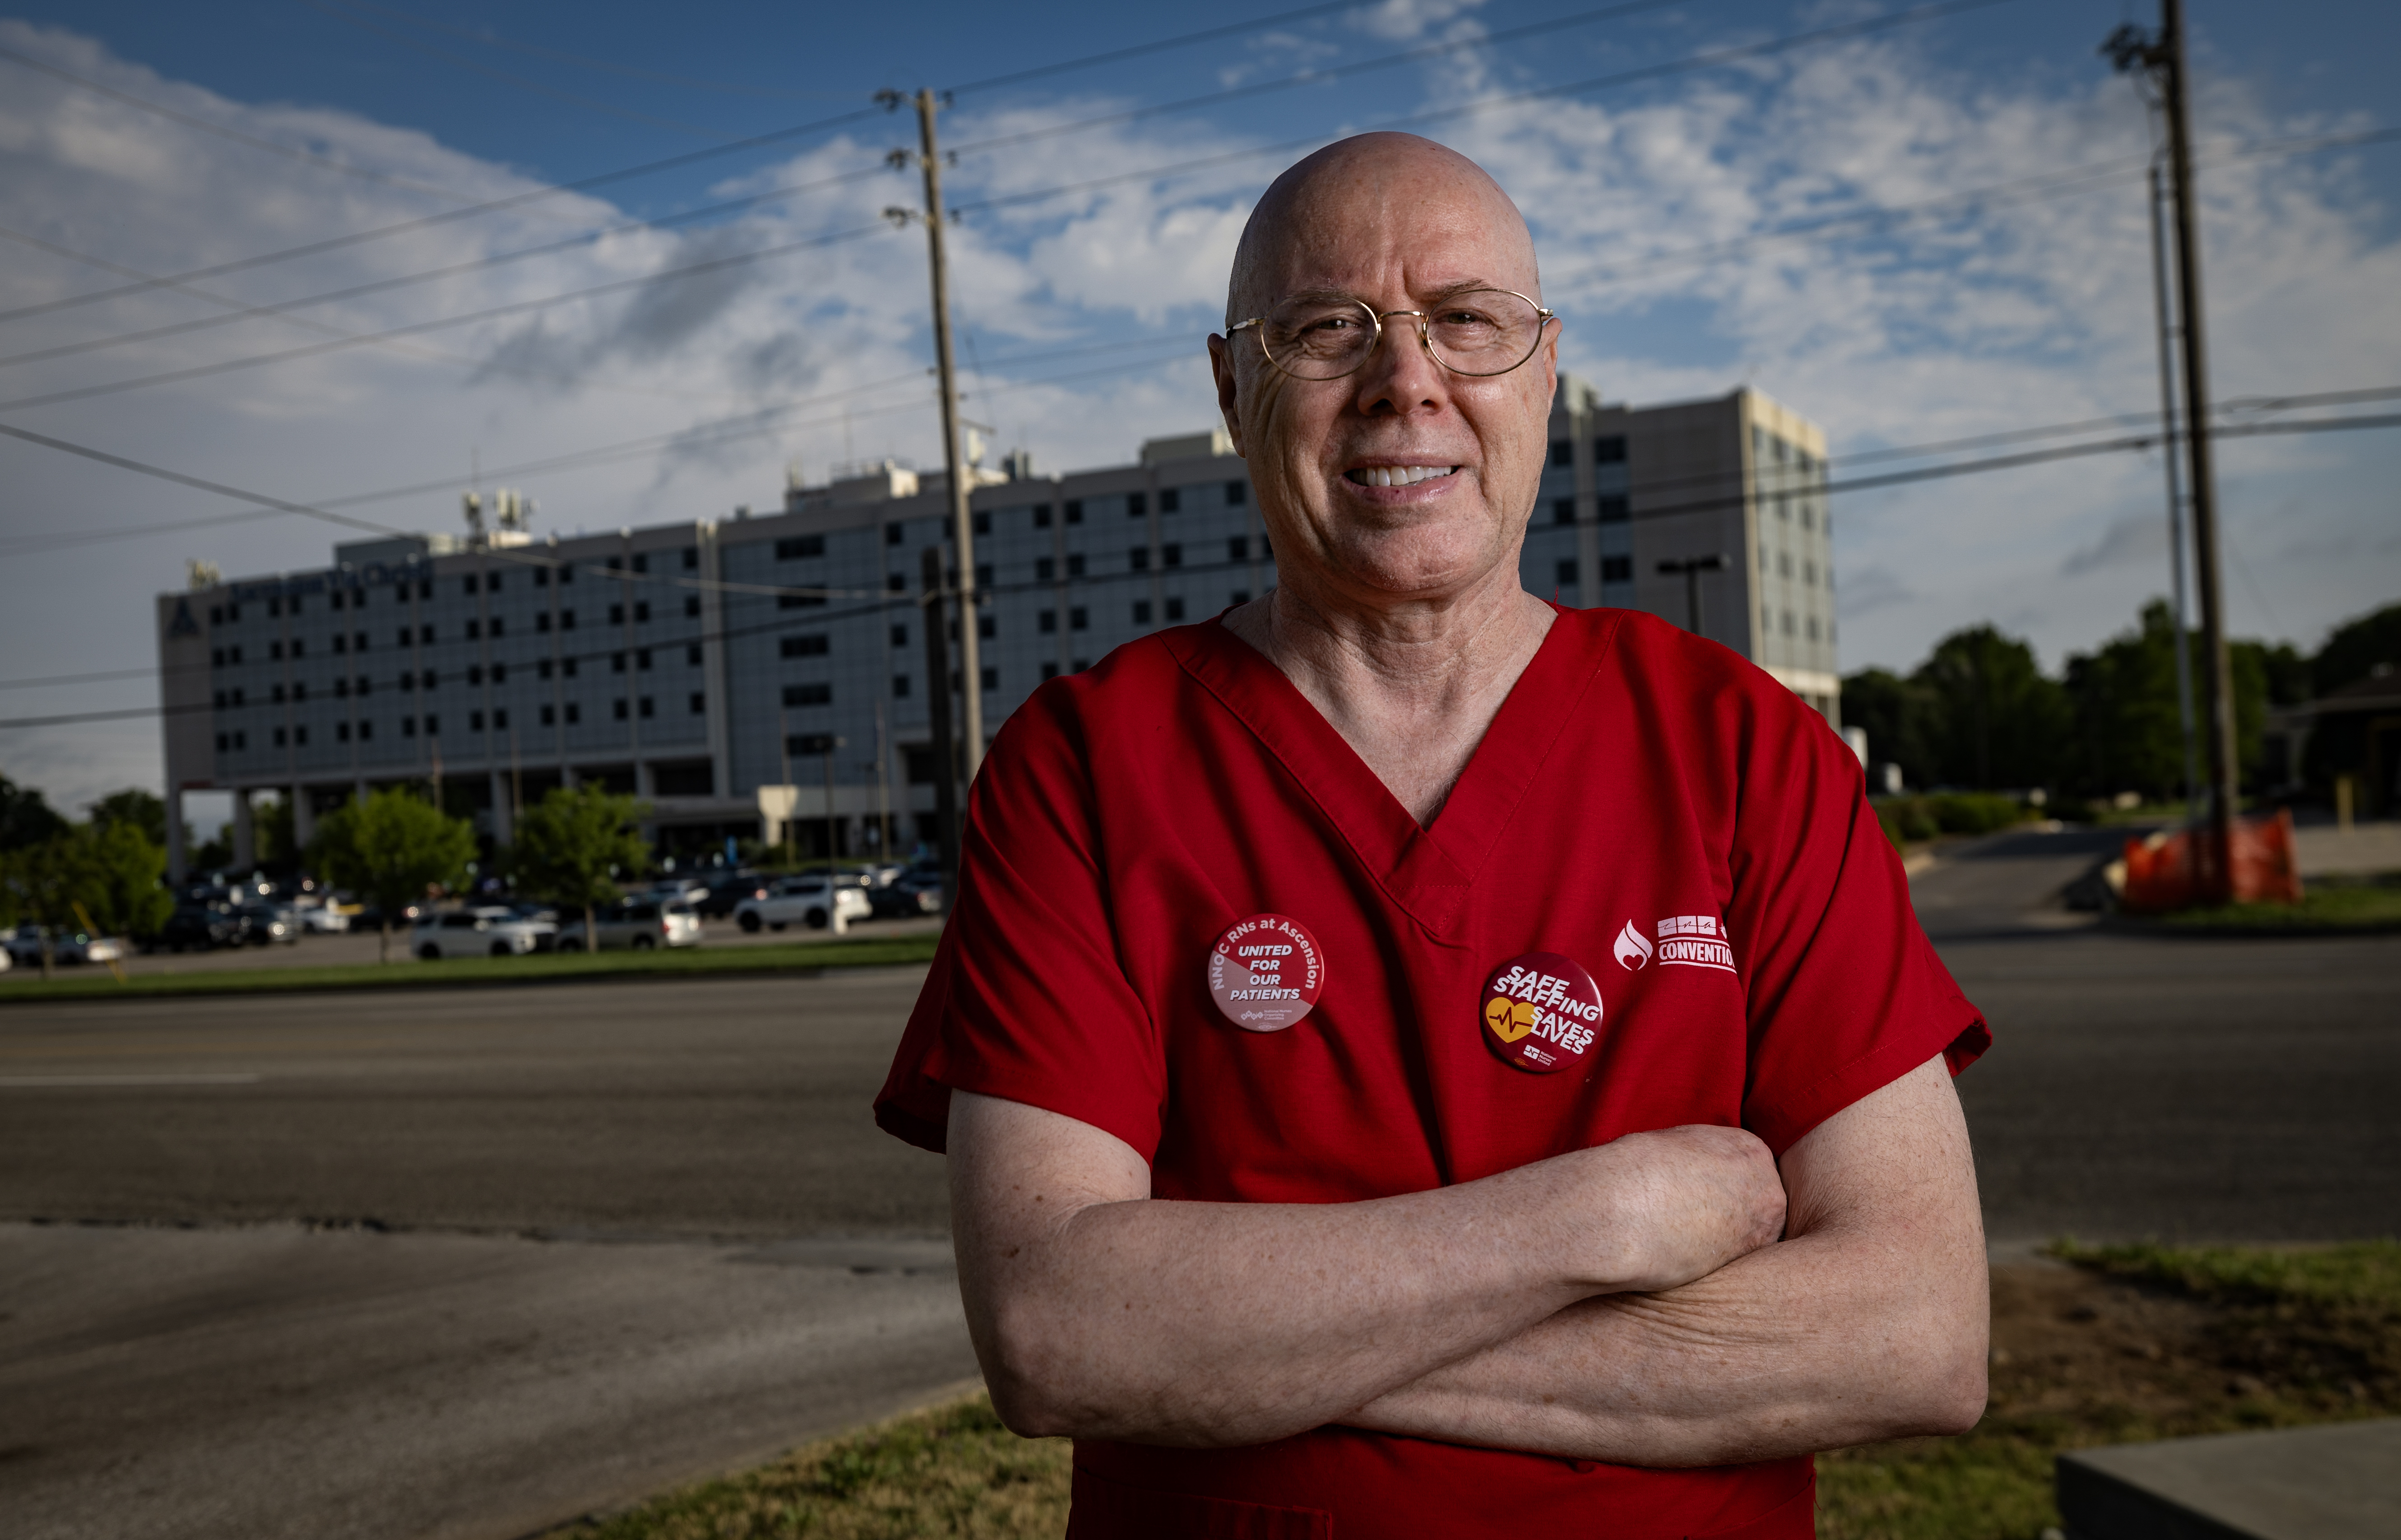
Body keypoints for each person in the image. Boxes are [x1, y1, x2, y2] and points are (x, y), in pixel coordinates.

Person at [876, 131, 1991, 1537]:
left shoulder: (1745, 748)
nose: (1410, 383)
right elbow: (1056, 1329)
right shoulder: (1085, 766)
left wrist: (1267, 1348)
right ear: (1235, 386)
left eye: (1469, 322)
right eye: (1326, 328)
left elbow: (1919, 1331)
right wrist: (1604, 1218)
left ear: (1544, 374)